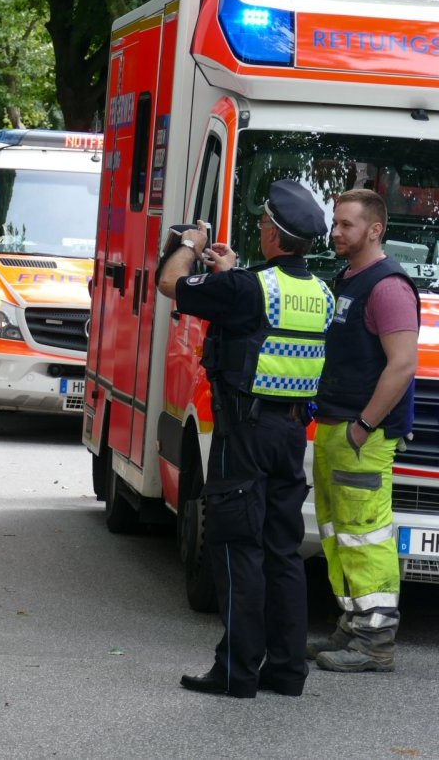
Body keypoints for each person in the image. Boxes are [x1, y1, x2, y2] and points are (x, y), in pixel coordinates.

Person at [159, 179, 334, 699]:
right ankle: (285, 670)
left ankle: (236, 671)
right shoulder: (320, 293)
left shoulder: (247, 288)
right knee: (283, 551)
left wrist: (190, 244)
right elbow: (263, 317)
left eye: (262, 224)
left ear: (275, 236)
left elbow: (171, 284)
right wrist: (231, 271)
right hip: (290, 434)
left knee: (237, 547)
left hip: (246, 431)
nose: (259, 230)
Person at [308, 188, 419, 673]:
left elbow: (402, 365)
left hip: (361, 437)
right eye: (336, 223)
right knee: (340, 534)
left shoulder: (388, 287)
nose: (336, 232)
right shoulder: (350, 278)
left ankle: (375, 642)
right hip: (336, 429)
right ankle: (353, 627)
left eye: (346, 225)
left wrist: (363, 427)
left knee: (367, 534)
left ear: (374, 230)